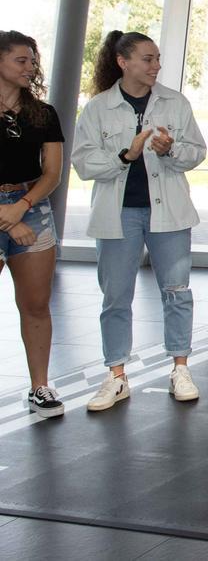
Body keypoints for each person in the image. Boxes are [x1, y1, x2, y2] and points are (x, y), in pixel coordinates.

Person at [72, 31, 207, 410]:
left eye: (158, 58)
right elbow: (83, 163)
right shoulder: (98, 107)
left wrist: (171, 150)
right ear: (123, 61)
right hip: (118, 215)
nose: (156, 66)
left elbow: (196, 152)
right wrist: (125, 155)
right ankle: (116, 375)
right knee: (116, 297)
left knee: (177, 290)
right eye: (148, 59)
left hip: (169, 213)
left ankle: (180, 367)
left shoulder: (174, 103)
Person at [0, 31, 64, 419]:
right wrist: (6, 221)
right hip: (10, 216)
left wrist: (21, 207)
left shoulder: (43, 113)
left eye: (33, 61)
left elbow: (52, 174)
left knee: (36, 305)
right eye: (21, 60)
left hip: (32, 210)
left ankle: (40, 387)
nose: (30, 67)